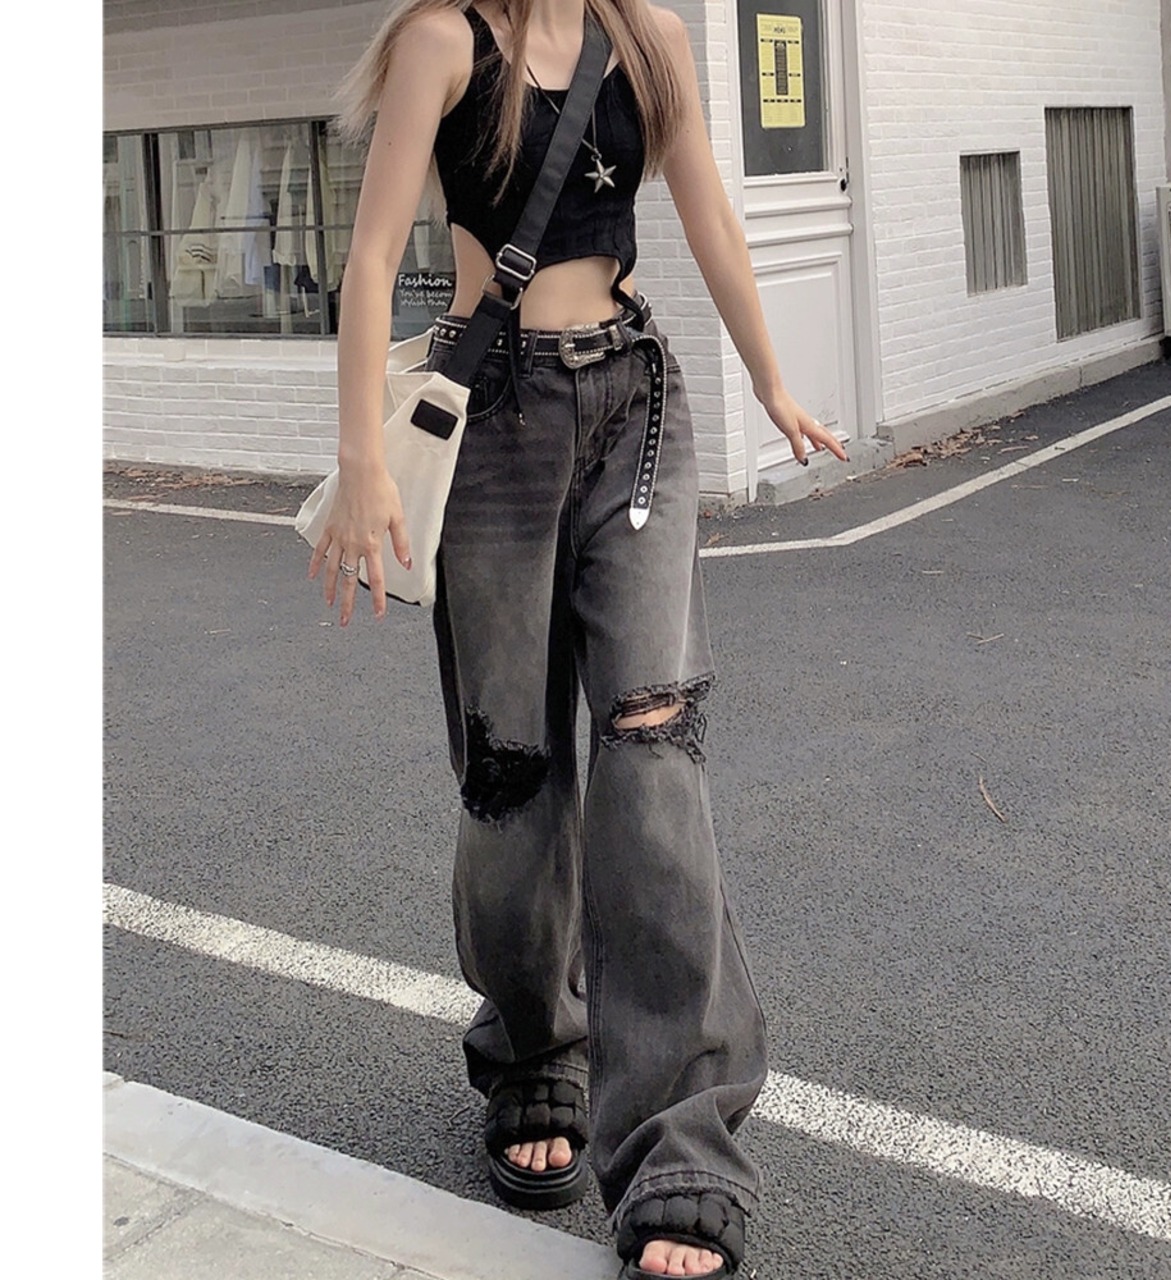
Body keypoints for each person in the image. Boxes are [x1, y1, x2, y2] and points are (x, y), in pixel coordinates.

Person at [306, 2, 847, 1275]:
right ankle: (535, 1044)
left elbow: (709, 214)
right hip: (492, 416)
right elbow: (372, 257)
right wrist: (359, 459)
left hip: (633, 406)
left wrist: (770, 378)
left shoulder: (647, 36)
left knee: (654, 748)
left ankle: (678, 1143)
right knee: (511, 770)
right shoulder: (445, 42)